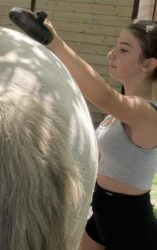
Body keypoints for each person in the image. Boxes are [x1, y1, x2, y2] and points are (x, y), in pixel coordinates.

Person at [44, 19, 157, 249]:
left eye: (123, 49)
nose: (111, 54)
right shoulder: (117, 114)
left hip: (133, 231)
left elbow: (104, 97)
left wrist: (55, 43)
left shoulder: (148, 113)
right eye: (115, 46)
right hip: (103, 217)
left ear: (149, 64)